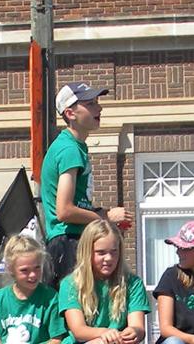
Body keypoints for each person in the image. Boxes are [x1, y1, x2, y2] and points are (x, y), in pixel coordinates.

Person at [39, 82, 130, 285]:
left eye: (97, 102)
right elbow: (64, 211)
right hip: (67, 242)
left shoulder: (75, 147)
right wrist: (105, 217)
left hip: (70, 240)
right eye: (90, 103)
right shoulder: (69, 149)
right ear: (70, 113)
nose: (99, 108)